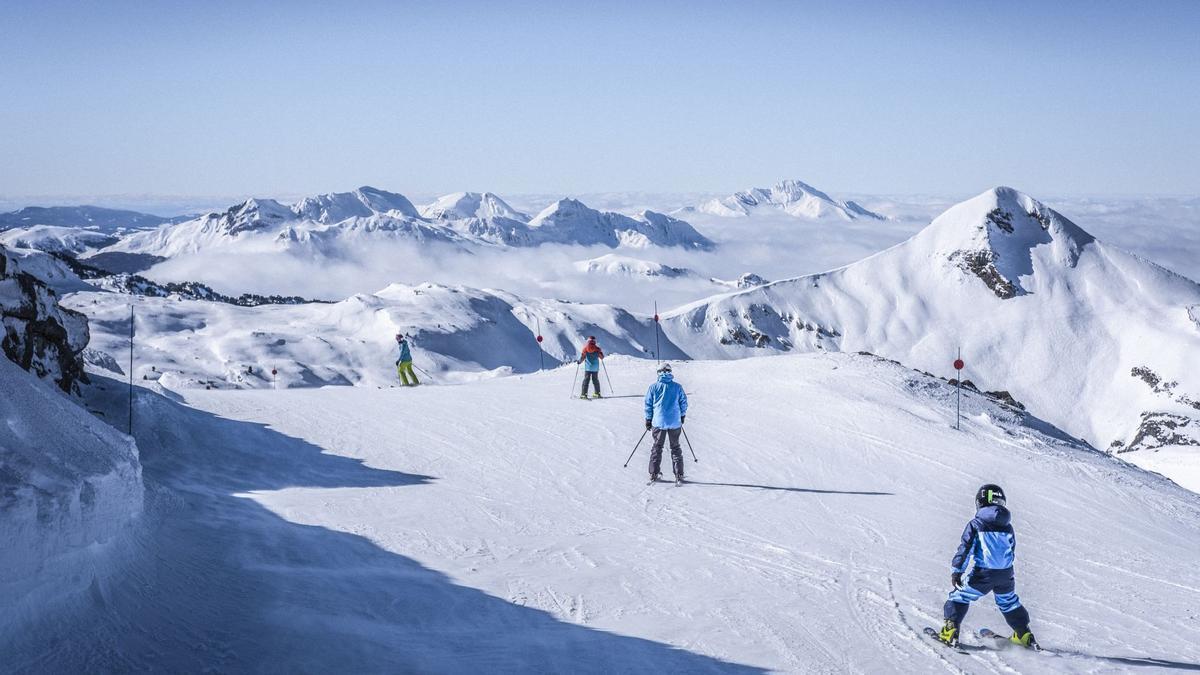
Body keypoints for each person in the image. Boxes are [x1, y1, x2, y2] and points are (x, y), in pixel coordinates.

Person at [938, 484, 1039, 649]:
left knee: (959, 597)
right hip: (1006, 574)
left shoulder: (976, 524)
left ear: (980, 502)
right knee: (1008, 602)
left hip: (984, 574)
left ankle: (950, 631)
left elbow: (966, 548)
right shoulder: (1008, 526)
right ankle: (1024, 634)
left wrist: (957, 571)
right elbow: (1011, 550)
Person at [644, 363, 688, 484]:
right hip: (674, 421)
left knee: (657, 447)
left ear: (658, 373)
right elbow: (683, 402)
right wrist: (682, 415)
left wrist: (648, 419)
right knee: (675, 447)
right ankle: (679, 474)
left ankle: (654, 473)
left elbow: (648, 405)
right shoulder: (677, 387)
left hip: (658, 422)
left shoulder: (653, 387)